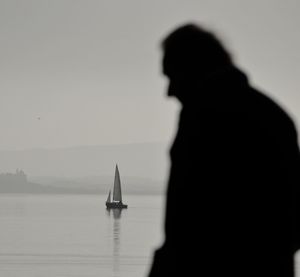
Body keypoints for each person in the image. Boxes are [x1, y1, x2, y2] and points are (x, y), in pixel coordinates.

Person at [148, 23, 300, 277]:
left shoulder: (203, 118)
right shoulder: (273, 115)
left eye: (172, 76)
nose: (169, 92)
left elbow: (187, 223)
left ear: (193, 68)